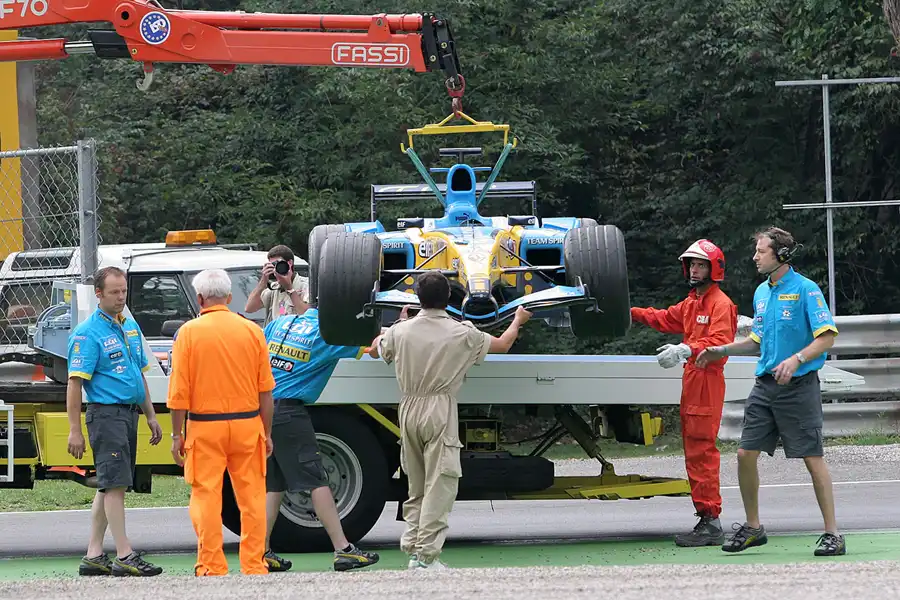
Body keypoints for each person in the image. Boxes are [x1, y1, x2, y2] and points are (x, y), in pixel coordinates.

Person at [368, 271, 533, 570]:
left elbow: (376, 349)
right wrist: (517, 321)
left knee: (416, 484)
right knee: (440, 483)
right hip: (439, 408)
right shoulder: (462, 333)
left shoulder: (401, 332)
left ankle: (414, 549)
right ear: (449, 298)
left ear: (418, 298)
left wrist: (397, 324)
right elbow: (502, 345)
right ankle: (426, 556)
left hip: (408, 406)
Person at [697, 226, 844, 556]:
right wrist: (721, 350)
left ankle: (833, 533)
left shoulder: (806, 289)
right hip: (764, 387)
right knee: (744, 454)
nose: (755, 257)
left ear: (782, 254)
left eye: (761, 251)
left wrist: (796, 359)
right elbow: (757, 341)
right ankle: (753, 527)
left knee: (812, 459)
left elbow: (827, 337)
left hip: (799, 388)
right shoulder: (761, 293)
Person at [167, 269, 276, 576]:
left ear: (200, 298)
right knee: (253, 497)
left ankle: (211, 564)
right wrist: (266, 433)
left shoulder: (188, 333)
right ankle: (254, 564)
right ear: (229, 298)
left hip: (204, 427)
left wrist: (177, 435)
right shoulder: (252, 331)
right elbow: (266, 391)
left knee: (206, 495)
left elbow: (178, 394)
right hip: (247, 425)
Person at [629, 239, 737, 547]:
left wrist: (687, 349)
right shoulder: (693, 302)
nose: (694, 270)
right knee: (694, 450)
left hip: (706, 380)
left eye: (700, 265)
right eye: (692, 265)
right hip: (693, 379)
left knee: (701, 451)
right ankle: (707, 518)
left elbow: (721, 342)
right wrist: (630, 312)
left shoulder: (720, 304)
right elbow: (664, 318)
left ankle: (711, 521)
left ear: (714, 269)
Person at [260, 304, 381, 573]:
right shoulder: (330, 334)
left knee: (275, 484)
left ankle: (260, 551)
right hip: (290, 413)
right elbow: (374, 348)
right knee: (316, 480)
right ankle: (343, 550)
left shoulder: (281, 323)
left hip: (264, 409)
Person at [66, 265, 164, 577]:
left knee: (109, 485)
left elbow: (138, 374)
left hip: (128, 413)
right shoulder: (88, 333)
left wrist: (150, 414)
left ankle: (94, 554)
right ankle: (125, 554)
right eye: (114, 292)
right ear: (99, 294)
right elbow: (74, 383)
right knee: (116, 485)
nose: (121, 297)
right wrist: (74, 430)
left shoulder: (129, 326)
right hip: (106, 414)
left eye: (124, 291)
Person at [245, 244, 309, 326]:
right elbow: (249, 308)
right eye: (273, 265)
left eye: (279, 264)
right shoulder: (274, 288)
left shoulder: (306, 285)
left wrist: (290, 289)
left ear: (290, 263)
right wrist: (263, 281)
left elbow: (307, 316)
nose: (276, 268)